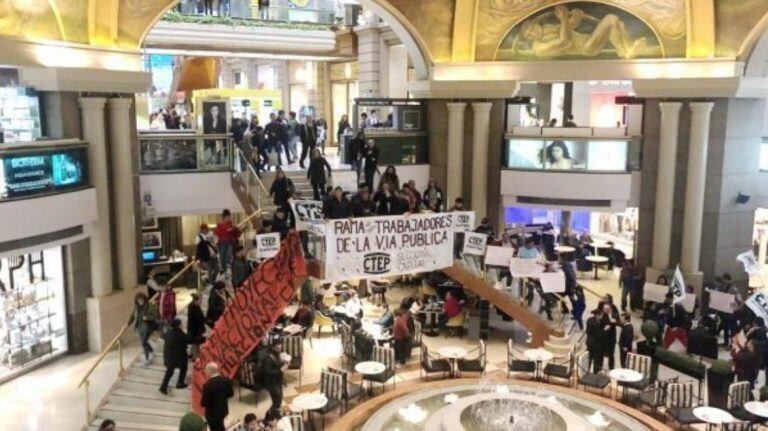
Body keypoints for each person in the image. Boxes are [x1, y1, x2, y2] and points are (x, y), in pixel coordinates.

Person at [159, 318, 191, 395]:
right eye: (181, 324)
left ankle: (163, 386)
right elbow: (189, 339)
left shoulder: (168, 333)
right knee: (183, 368)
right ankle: (180, 383)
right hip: (178, 356)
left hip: (168, 355)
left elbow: (162, 335)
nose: (182, 325)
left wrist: (160, 326)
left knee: (169, 371)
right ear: (179, 325)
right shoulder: (180, 334)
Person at [200, 362, 234, 431]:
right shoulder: (226, 380)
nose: (205, 373)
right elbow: (231, 394)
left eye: (206, 371)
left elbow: (204, 403)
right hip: (223, 410)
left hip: (212, 415)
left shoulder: (207, 385)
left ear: (210, 371)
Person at [128, 292, 158, 365]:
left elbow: (154, 316)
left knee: (143, 342)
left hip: (147, 326)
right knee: (143, 343)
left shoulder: (150, 306)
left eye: (141, 300)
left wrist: (147, 317)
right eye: (138, 300)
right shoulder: (136, 307)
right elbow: (132, 316)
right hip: (139, 327)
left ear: (144, 299)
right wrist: (127, 324)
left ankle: (150, 353)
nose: (140, 301)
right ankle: (148, 357)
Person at [258, 343, 287, 416]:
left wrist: (284, 364)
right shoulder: (268, 358)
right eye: (278, 348)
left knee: (279, 399)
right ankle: (269, 415)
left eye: (280, 348)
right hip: (271, 382)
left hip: (278, 380)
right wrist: (280, 370)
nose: (280, 350)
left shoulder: (278, 355)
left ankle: (275, 414)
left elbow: (278, 365)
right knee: (277, 400)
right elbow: (267, 372)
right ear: (273, 348)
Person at [215, 209, 241, 275]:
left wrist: (234, 230)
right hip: (223, 243)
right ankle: (224, 269)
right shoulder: (220, 225)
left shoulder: (232, 225)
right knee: (222, 256)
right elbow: (218, 233)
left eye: (229, 217)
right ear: (223, 218)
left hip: (230, 242)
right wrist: (227, 231)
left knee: (229, 252)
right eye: (226, 217)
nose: (228, 219)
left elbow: (237, 234)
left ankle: (228, 265)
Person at [196, 223, 218, 288]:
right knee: (209, 270)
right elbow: (198, 248)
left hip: (213, 255)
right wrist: (198, 258)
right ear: (202, 230)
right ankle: (212, 285)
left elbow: (215, 241)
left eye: (206, 228)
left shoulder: (211, 233)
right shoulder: (199, 237)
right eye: (204, 229)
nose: (206, 230)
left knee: (217, 269)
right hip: (206, 257)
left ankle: (212, 280)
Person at [188, 293, 206, 358]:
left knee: (194, 342)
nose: (201, 302)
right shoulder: (196, 308)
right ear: (197, 300)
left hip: (192, 328)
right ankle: (195, 357)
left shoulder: (191, 307)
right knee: (196, 343)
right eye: (200, 300)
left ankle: (191, 354)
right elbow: (200, 319)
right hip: (196, 329)